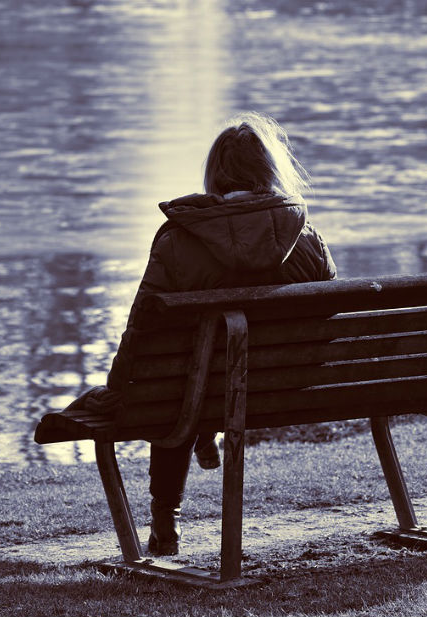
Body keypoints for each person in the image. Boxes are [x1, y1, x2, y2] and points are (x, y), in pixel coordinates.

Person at [86, 112, 336, 556]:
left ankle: (166, 521)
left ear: (216, 173)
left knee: (180, 389)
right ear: (271, 170)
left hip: (197, 392)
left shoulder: (178, 241)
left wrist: (118, 388)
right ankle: (204, 430)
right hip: (289, 389)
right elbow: (334, 319)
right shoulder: (307, 238)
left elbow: (143, 331)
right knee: (191, 384)